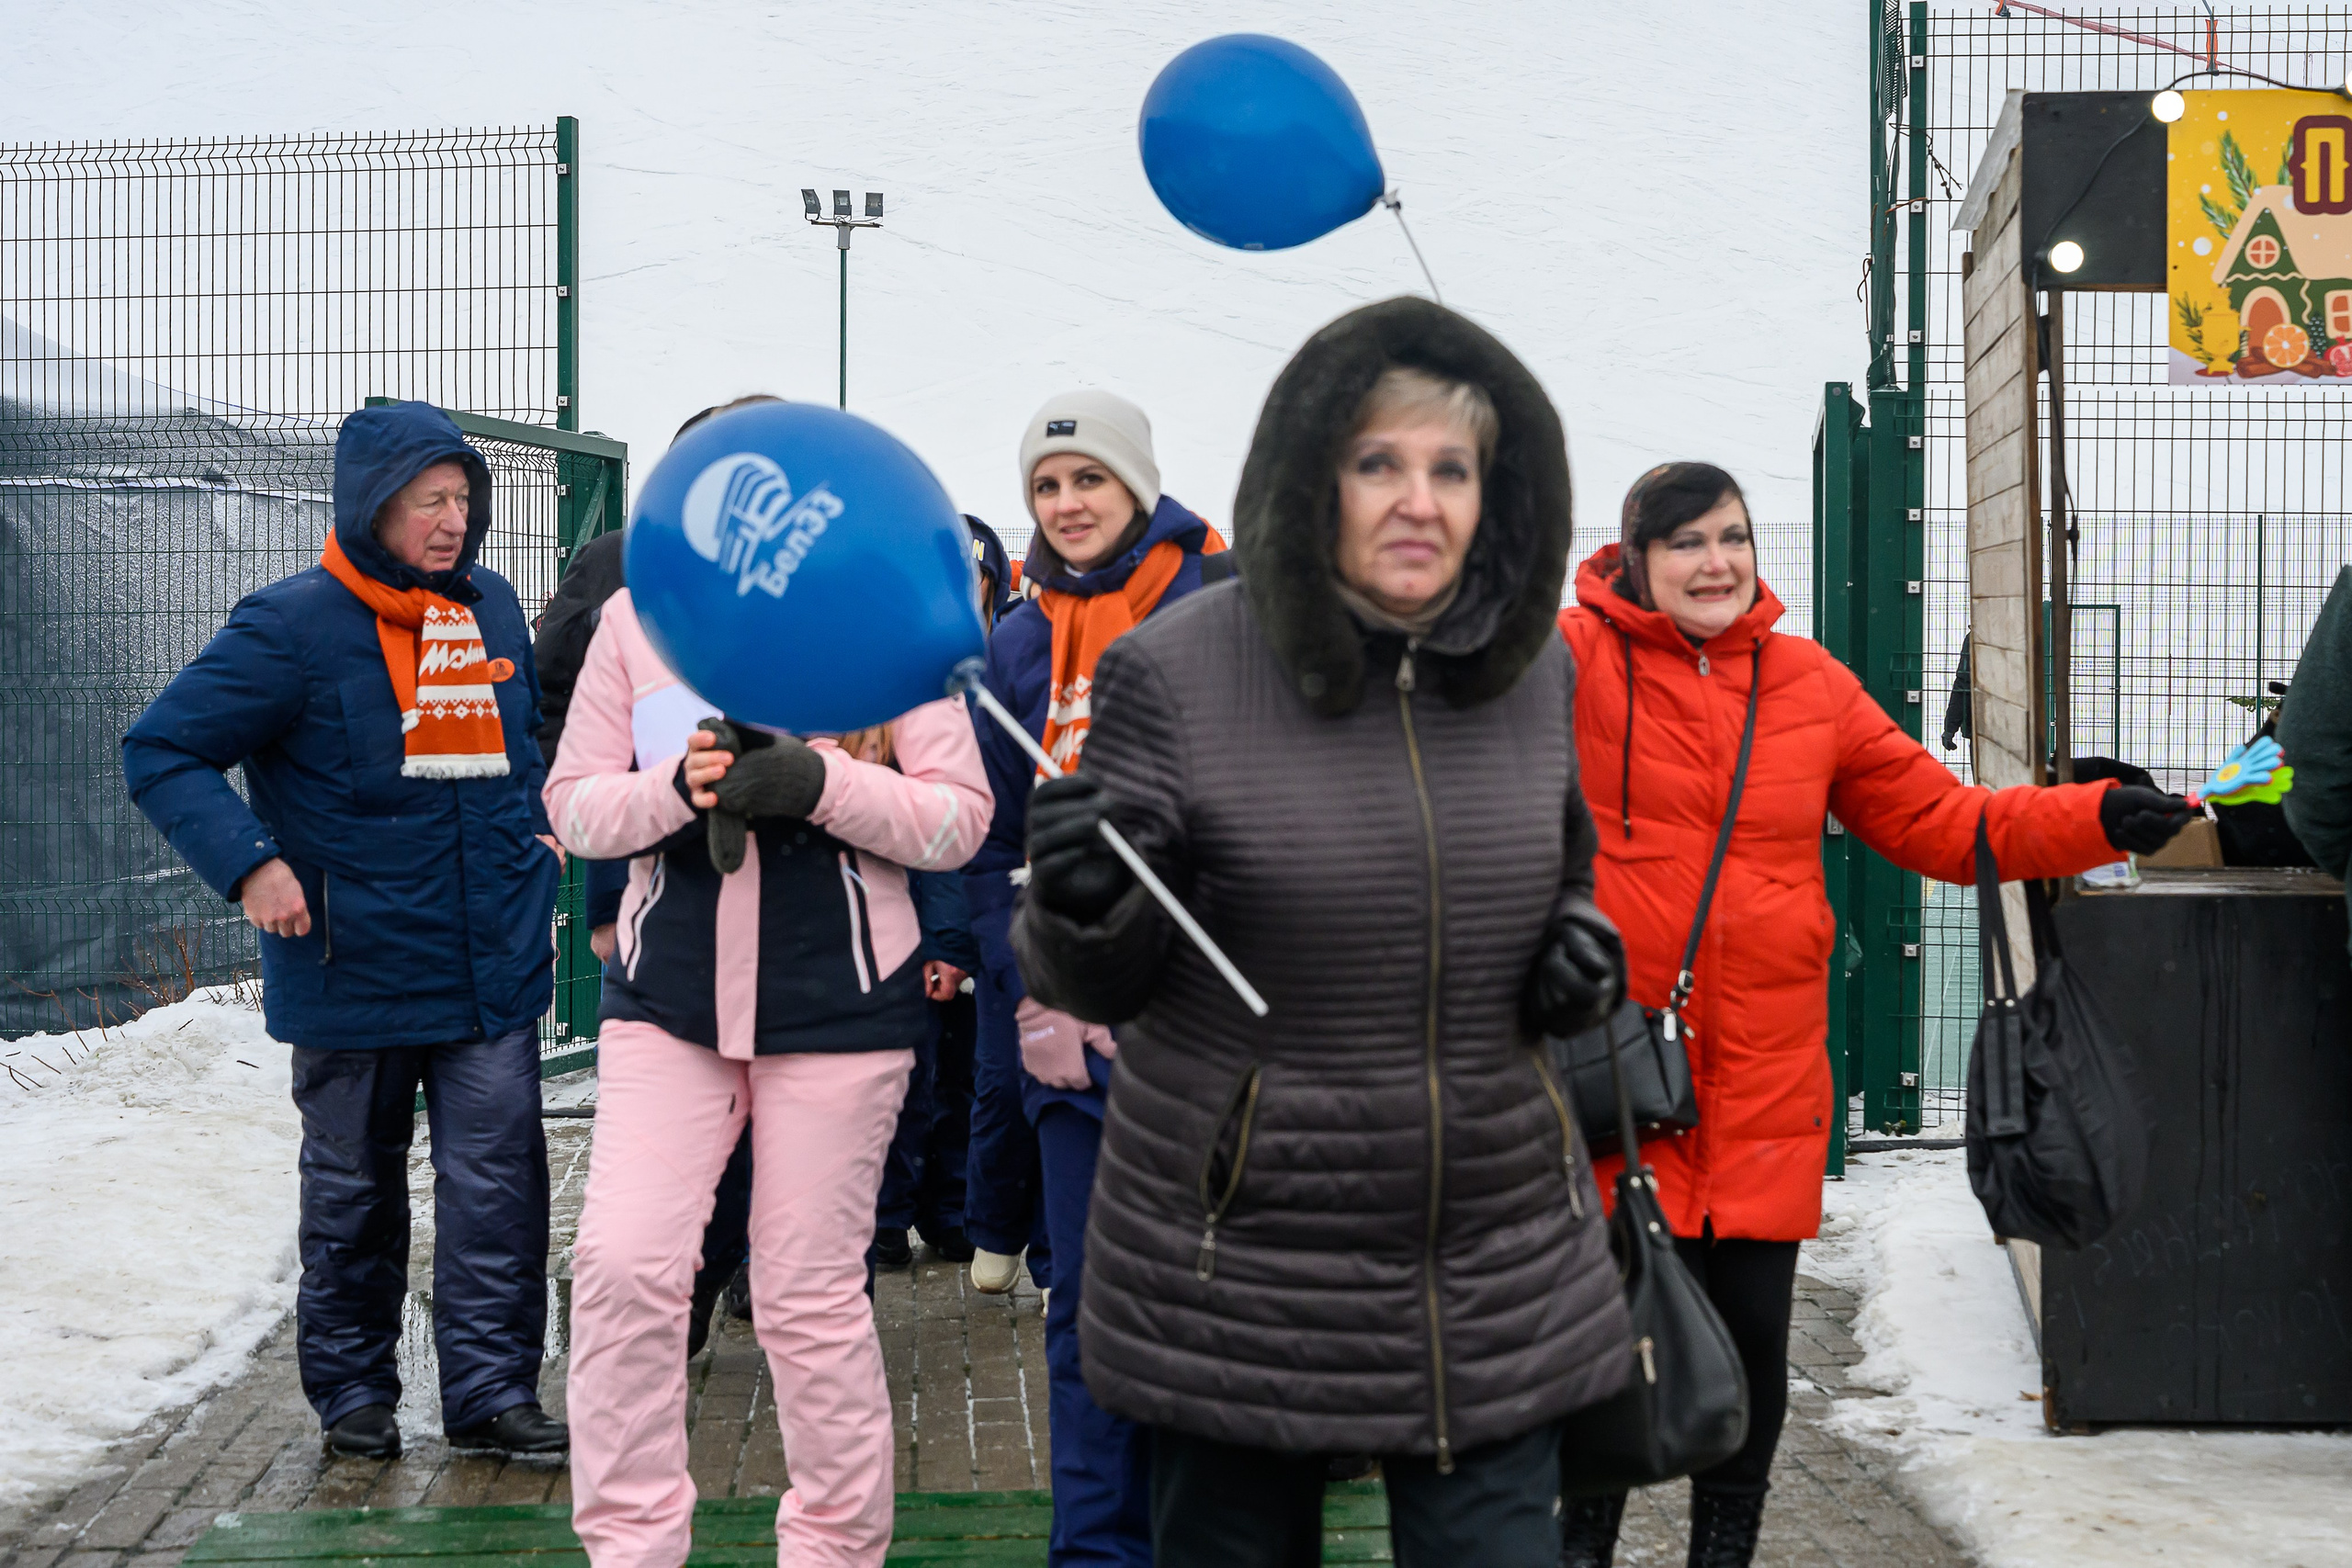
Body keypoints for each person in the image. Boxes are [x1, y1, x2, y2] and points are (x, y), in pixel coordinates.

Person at [1011, 298, 1633, 1566]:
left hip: (1489, 1261)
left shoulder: (1535, 669)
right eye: (1378, 464)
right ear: (1311, 479)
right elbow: (1107, 972)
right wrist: (1076, 903)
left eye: (1451, 468)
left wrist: (1573, 957)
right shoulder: (1176, 670)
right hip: (1242, 1268)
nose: (1418, 501)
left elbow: (1561, 871)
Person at [1554, 461, 2195, 1568]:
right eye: (1686, 543)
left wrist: (2096, 818)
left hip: (1763, 1074)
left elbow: (1941, 820)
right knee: (1607, 1343)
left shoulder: (1804, 682)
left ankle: (1724, 1553)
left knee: (1752, 1345)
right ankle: (1579, 1552)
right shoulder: (1572, 662)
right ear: (1635, 559)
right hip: (1614, 1069)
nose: (1715, 563)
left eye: (1732, 538)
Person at [122, 400, 569, 1461]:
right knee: (355, 1193)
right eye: (428, 501)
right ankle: (356, 1393)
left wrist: (539, 825)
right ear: (372, 506)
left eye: (462, 499)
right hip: (351, 966)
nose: (452, 521)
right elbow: (162, 750)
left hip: (491, 964)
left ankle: (493, 1395)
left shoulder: (492, 609)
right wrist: (251, 864)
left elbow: (529, 741)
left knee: (499, 1189)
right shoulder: (289, 627)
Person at [547, 538, 992, 1568]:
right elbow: (574, 803)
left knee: (807, 1294)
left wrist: (821, 782)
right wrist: (674, 790)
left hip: (841, 1008)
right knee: (622, 1266)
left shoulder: (893, 624)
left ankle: (834, 1548)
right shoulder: (637, 618)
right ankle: (630, 1550)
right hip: (668, 1003)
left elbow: (960, 821)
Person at [962, 389, 1229, 1565]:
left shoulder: (1222, 606)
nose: (1067, 503)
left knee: (1213, 1308)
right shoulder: (1015, 647)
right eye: (1047, 485)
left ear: (1137, 484)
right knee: (1088, 1312)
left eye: (1089, 479)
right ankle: (1096, 1549)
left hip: (1210, 1038)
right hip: (1071, 1044)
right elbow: (988, 841)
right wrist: (1028, 976)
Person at [876, 517, 1019, 1270]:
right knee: (910, 1074)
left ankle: (950, 1207)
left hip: (983, 904)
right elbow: (924, 821)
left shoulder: (1004, 671)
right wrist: (943, 935)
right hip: (922, 908)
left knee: (964, 1074)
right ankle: (890, 1215)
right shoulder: (915, 677)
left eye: (975, 576)